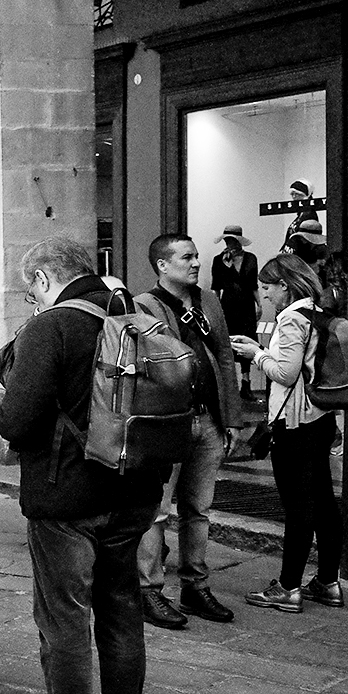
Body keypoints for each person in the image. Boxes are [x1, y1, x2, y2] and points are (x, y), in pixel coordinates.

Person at [0, 236, 166, 694]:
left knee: (64, 618)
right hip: (135, 491)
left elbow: (16, 423)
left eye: (31, 293)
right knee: (122, 610)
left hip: (67, 496)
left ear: (45, 280)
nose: (33, 303)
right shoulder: (138, 317)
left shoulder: (53, 327)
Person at [133, 235, 240, 629]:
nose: (196, 263)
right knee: (158, 510)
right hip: (169, 423)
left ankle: (195, 586)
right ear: (163, 265)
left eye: (196, 256)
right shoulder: (144, 305)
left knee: (200, 509)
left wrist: (230, 417)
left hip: (207, 419)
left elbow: (225, 357)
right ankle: (149, 590)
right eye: (187, 257)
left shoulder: (209, 300)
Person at [230, 255, 345, 613]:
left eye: (267, 287)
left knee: (299, 506)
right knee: (324, 502)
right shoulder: (318, 312)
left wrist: (255, 353)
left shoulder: (293, 317)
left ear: (285, 285)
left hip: (295, 423)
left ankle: (288, 587)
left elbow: (284, 371)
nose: (263, 295)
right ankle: (328, 582)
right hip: (320, 418)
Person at [212, 226, 258, 397]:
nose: (228, 242)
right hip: (228, 305)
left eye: (231, 240)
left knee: (247, 340)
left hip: (246, 305)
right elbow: (216, 286)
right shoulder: (219, 260)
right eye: (226, 240)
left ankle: (246, 383)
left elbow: (253, 284)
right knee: (229, 341)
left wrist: (259, 304)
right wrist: (215, 308)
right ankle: (230, 384)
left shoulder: (251, 258)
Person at [281, 180, 320, 252]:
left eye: (297, 194)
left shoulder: (309, 215)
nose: (294, 197)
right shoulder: (300, 215)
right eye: (292, 194)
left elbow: (307, 240)